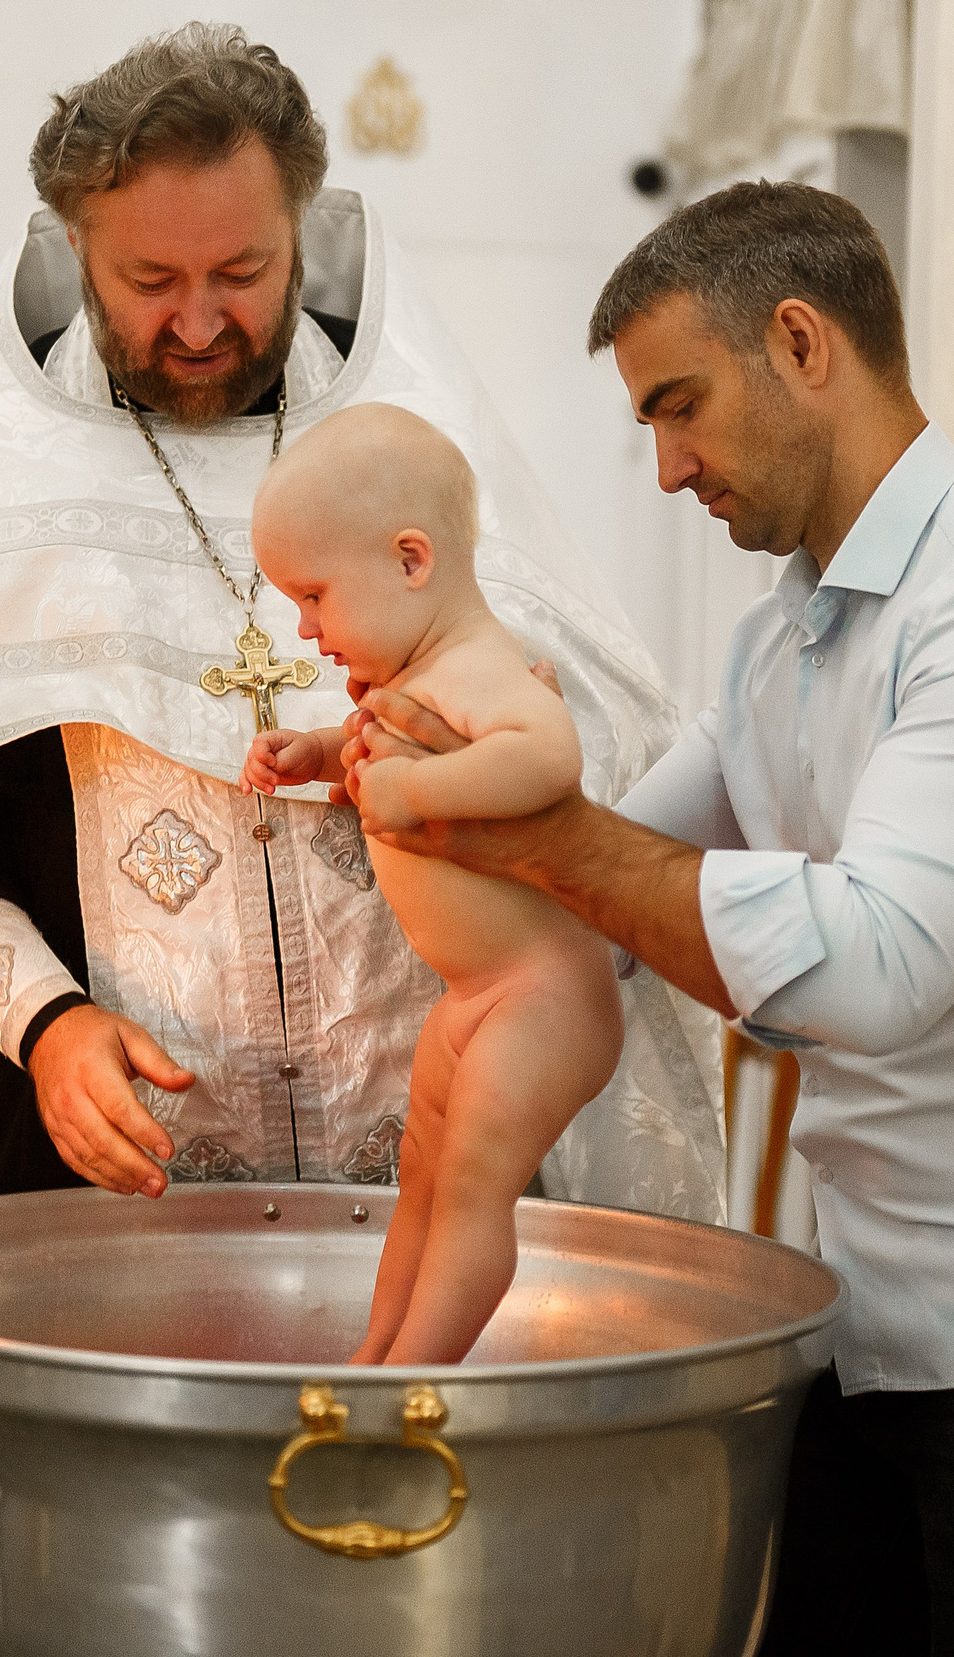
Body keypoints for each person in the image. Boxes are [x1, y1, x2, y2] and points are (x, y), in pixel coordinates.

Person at [0, 25, 727, 1657]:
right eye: (149, 280)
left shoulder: (415, 438)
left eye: (243, 270)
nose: (200, 321)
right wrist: (43, 1027)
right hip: (83, 1193)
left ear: (309, 227)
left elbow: (588, 745)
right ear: (70, 246)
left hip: (413, 1188)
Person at [352, 180, 954, 1656]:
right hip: (878, 1330)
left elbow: (875, 963)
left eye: (681, 406)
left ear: (800, 343)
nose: (665, 468)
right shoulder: (783, 636)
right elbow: (589, 887)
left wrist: (545, 825)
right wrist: (427, 719)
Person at [240, 403, 623, 1367]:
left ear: (413, 560)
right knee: (420, 1181)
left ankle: (416, 1374)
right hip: (475, 999)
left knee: (472, 1189)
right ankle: (375, 1356)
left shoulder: (486, 668)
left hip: (543, 996)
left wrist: (416, 786)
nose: (305, 625)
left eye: (316, 594)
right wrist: (322, 752)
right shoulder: (413, 681)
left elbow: (546, 755)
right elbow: (380, 758)